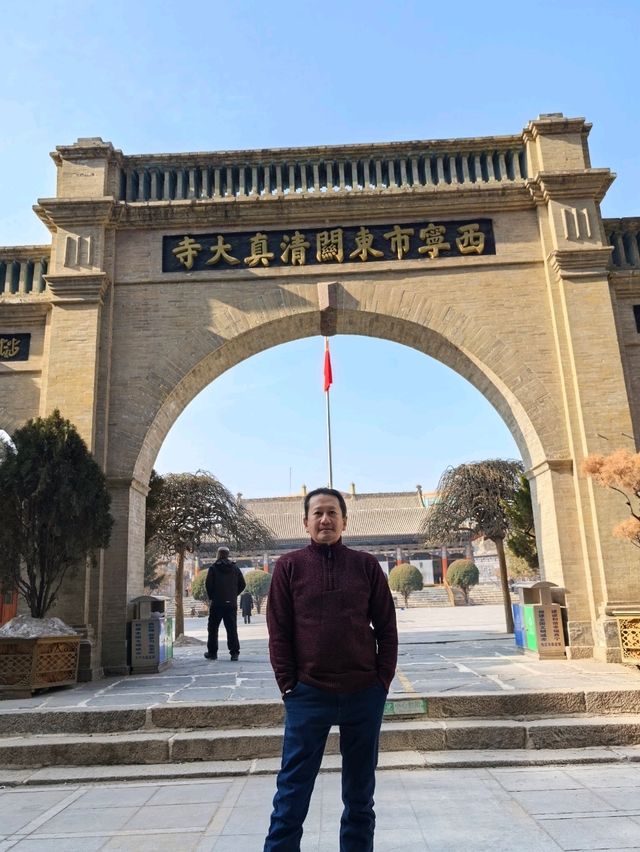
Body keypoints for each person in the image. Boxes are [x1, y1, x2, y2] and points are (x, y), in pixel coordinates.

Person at [264, 487, 398, 852]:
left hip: (362, 693)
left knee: (360, 795)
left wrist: (381, 680)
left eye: (332, 513)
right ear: (305, 522)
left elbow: (386, 627)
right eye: (318, 513)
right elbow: (278, 630)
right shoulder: (289, 566)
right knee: (292, 791)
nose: (325, 519)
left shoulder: (366, 565)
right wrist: (288, 684)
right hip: (308, 693)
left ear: (344, 521)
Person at [204, 546, 246, 661]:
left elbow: (208, 585)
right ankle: (234, 653)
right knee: (232, 628)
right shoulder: (235, 568)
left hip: (217, 603)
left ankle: (212, 653)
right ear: (228, 555)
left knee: (213, 628)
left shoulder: (213, 568)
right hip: (231, 604)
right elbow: (243, 584)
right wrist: (233, 595)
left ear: (218, 554)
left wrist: (213, 597)